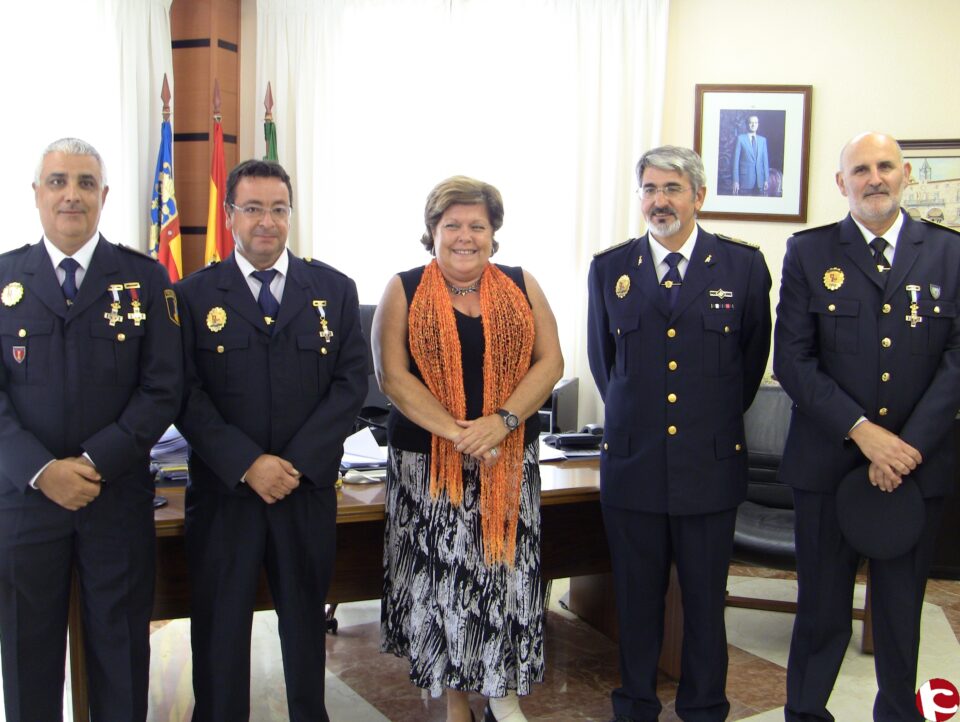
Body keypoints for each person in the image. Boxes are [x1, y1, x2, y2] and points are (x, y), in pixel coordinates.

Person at [774, 132, 960, 722]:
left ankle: (898, 716)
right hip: (827, 464)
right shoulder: (809, 252)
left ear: (905, 174)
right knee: (821, 610)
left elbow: (958, 359)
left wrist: (904, 449)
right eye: (860, 169)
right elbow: (793, 361)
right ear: (841, 183)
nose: (873, 178)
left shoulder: (951, 253)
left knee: (901, 611)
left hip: (915, 469)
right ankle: (806, 713)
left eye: (884, 166)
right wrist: (863, 432)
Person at [175, 159, 367, 722]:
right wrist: (247, 464)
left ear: (291, 214)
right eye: (253, 208)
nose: (266, 221)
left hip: (302, 494)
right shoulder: (191, 295)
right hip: (224, 496)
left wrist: (296, 464)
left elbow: (351, 384)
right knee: (220, 627)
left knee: (307, 625)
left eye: (278, 209)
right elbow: (183, 394)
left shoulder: (332, 288)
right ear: (230, 214)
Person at [0, 137, 183, 721]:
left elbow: (163, 388)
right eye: (58, 181)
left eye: (84, 183)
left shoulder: (144, 279)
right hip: (25, 502)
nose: (70, 195)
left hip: (116, 496)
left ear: (103, 196)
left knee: (120, 651)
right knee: (28, 657)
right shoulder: (4, 279)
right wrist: (43, 471)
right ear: (35, 195)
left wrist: (95, 463)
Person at [587, 145, 771, 722]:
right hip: (634, 464)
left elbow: (748, 364)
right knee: (635, 601)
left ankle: (704, 706)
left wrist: (700, 421)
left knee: (703, 603)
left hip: (708, 466)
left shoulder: (742, 266)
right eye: (648, 189)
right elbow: (604, 363)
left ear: (698, 196)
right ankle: (635, 705)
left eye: (671, 188)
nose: (658, 200)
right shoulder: (611, 269)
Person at [374, 176, 563, 722]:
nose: (464, 236)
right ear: (431, 232)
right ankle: (456, 703)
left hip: (506, 459)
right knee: (444, 585)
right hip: (429, 466)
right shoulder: (404, 287)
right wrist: (463, 435)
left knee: (500, 579)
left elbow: (551, 363)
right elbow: (392, 377)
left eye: (476, 225)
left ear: (493, 233)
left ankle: (501, 692)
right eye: (451, 224)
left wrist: (500, 424)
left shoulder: (522, 284)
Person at [732, 115, 769, 196]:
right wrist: (735, 181)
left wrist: (766, 179)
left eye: (755, 122)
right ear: (747, 124)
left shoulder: (763, 140)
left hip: (760, 181)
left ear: (758, 124)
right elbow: (735, 162)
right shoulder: (740, 139)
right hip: (745, 181)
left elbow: (765, 162)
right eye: (751, 123)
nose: (753, 125)